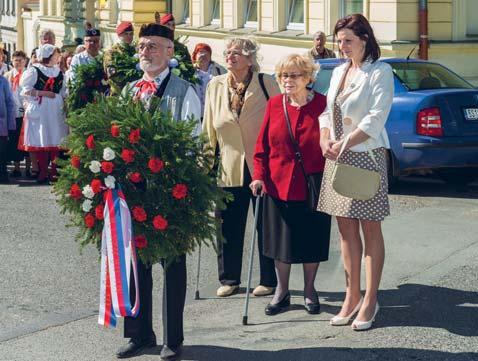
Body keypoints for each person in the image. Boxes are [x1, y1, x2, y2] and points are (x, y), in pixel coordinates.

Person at [117, 23, 201, 360]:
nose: (145, 51)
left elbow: (192, 142)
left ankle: (173, 339)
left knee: (171, 264)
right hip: (135, 190)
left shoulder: (185, 90)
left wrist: (173, 176)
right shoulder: (130, 89)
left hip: (170, 189)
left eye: (153, 45)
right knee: (137, 263)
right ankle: (139, 334)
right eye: (142, 46)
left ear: (170, 51)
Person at [317, 14, 394, 331]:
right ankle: (351, 296)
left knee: (370, 230)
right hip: (336, 156)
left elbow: (376, 118)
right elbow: (326, 110)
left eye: (348, 40)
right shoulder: (337, 71)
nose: (342, 45)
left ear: (364, 39)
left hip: (365, 155)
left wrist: (345, 142)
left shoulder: (381, 71)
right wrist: (324, 138)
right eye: (339, 40)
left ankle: (370, 299)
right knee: (345, 233)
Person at [250, 54, 331, 316]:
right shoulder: (274, 105)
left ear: (309, 78)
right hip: (277, 184)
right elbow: (261, 146)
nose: (288, 80)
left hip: (314, 183)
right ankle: (281, 292)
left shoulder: (323, 105)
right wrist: (258, 176)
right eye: (284, 75)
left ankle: (309, 289)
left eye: (294, 75)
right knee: (279, 242)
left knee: (312, 238)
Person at [202, 36, 279, 298]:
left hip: (261, 167)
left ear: (249, 58)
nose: (230, 56)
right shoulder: (215, 85)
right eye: (227, 52)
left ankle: (269, 279)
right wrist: (204, 165)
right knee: (227, 225)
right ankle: (229, 279)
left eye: (236, 53)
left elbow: (279, 123)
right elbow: (209, 129)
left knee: (264, 224)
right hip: (228, 165)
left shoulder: (265, 83)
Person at [19, 44, 68, 184]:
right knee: (41, 138)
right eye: (55, 55)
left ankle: (54, 170)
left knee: (55, 138)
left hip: (56, 109)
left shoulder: (58, 71)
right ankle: (42, 171)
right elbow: (25, 90)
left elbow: (63, 90)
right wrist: (43, 93)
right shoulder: (34, 70)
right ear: (49, 56)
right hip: (41, 108)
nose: (58, 57)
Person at [4, 50, 29, 178]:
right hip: (12, 113)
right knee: (13, 140)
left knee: (27, 140)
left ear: (25, 61)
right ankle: (17, 167)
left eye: (21, 60)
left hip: (26, 112)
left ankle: (29, 167)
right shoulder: (8, 75)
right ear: (12, 61)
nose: (18, 63)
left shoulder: (28, 74)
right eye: (16, 60)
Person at [191, 43, 226, 117]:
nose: (204, 55)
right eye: (200, 52)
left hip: (214, 114)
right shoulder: (189, 71)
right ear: (195, 56)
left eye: (207, 52)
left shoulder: (219, 70)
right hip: (194, 114)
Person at [103, 21, 137, 95]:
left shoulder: (135, 50)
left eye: (131, 34)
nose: (129, 36)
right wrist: (135, 77)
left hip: (135, 91)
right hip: (118, 93)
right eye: (126, 34)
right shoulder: (112, 53)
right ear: (119, 35)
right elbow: (113, 75)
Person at [0, 65, 16, 183]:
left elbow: (10, 103)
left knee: (2, 150)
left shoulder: (3, 81)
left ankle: (3, 173)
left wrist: (11, 124)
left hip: (1, 123)